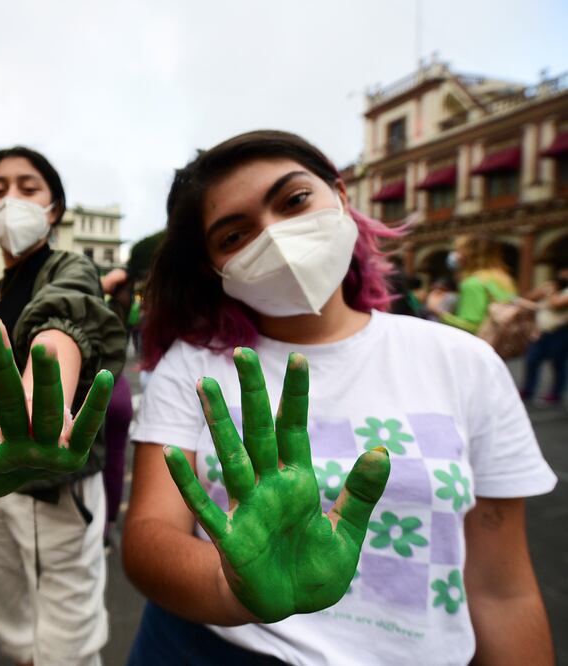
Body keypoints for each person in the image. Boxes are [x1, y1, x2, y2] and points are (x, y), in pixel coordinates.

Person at [122, 130, 556, 664]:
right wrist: (231, 583)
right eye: (235, 236)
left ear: (341, 197)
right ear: (216, 269)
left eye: (294, 200)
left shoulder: (463, 362)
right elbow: (149, 534)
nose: (276, 236)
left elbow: (503, 590)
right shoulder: (194, 367)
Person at [0, 147, 127, 666]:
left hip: (54, 482)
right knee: (12, 620)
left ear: (54, 208)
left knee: (67, 640)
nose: (11, 198)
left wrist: (39, 396)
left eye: (28, 187)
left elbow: (62, 319)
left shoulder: (69, 266)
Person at [99, 268, 135, 544]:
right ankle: (109, 522)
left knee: (95, 460)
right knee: (116, 460)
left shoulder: (96, 310)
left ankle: (97, 522)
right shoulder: (122, 311)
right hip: (121, 390)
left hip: (99, 391)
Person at [427, 234, 517, 333]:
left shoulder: (473, 283)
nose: (455, 255)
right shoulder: (504, 278)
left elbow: (471, 327)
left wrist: (436, 311)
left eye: (458, 250)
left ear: (469, 254)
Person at [520, 266, 568, 405]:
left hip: (560, 333)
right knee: (532, 360)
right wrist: (542, 289)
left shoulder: (562, 292)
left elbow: (556, 304)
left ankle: (555, 394)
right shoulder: (551, 289)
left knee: (558, 364)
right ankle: (527, 390)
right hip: (541, 332)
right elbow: (530, 297)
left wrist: (550, 291)